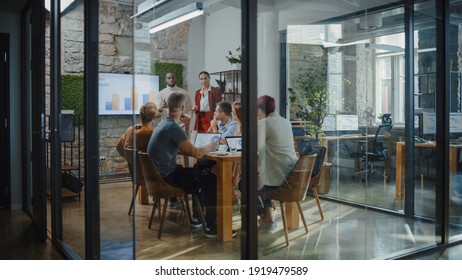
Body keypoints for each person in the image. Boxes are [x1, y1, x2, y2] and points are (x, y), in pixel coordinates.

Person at [147, 92, 221, 237]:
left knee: (198, 169)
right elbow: (196, 153)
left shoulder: (165, 123)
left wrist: (187, 125)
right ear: (182, 107)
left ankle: (197, 219)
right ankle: (212, 227)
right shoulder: (172, 127)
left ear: (167, 105)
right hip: (168, 179)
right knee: (211, 179)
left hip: (159, 177)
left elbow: (184, 145)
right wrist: (212, 145)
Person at [257, 95, 297, 231]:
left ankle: (265, 216)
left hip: (277, 180)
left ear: (260, 110)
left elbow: (252, 148)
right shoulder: (286, 122)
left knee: (244, 183)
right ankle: (267, 217)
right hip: (292, 176)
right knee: (261, 177)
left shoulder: (264, 123)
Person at [155, 72, 193, 138]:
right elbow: (157, 112)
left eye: (173, 78)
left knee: (183, 147)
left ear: (175, 79)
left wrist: (187, 119)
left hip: (182, 126)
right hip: (167, 127)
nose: (171, 80)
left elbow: (189, 108)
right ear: (165, 80)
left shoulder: (184, 92)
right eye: (169, 78)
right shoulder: (160, 94)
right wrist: (163, 107)